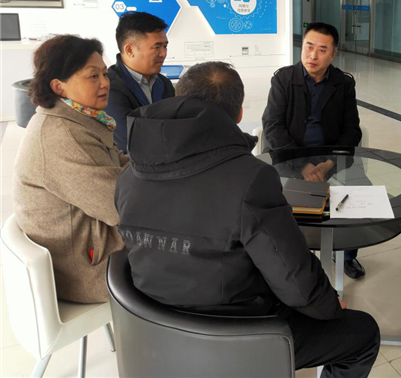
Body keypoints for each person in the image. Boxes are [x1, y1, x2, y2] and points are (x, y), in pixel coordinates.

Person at [115, 61, 380, 378]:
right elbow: (293, 278)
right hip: (234, 333)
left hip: (154, 329)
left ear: (176, 100)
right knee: (362, 334)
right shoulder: (251, 178)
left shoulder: (128, 175)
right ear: (239, 114)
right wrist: (329, 306)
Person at [13, 35, 129, 303]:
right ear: (59, 86)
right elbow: (120, 208)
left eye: (104, 74)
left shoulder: (75, 117)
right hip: (87, 270)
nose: (105, 83)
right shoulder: (64, 135)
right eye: (93, 76)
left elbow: (116, 161)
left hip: (88, 243)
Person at [262, 22, 366, 279]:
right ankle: (291, 255)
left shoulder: (343, 83)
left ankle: (347, 253)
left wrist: (328, 163)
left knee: (359, 196)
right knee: (276, 203)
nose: (313, 56)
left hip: (332, 159)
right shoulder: (284, 79)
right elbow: (272, 127)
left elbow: (352, 131)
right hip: (289, 157)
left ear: (333, 54)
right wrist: (303, 165)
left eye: (322, 50)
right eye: (309, 47)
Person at [106, 11, 174, 153]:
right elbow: (130, 140)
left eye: (165, 46)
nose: (163, 54)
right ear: (129, 50)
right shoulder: (109, 88)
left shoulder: (164, 84)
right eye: (157, 47)